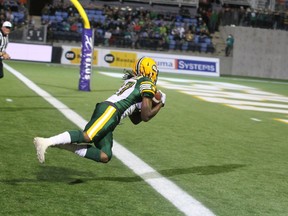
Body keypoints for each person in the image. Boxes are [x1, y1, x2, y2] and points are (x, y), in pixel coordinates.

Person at [34, 57, 166, 164]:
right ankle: (46, 142)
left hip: (111, 113)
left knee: (105, 155)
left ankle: (62, 144)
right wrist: (160, 104)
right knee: (87, 136)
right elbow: (146, 116)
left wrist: (155, 103)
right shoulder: (146, 82)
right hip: (111, 111)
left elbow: (136, 119)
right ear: (151, 71)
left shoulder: (136, 81)